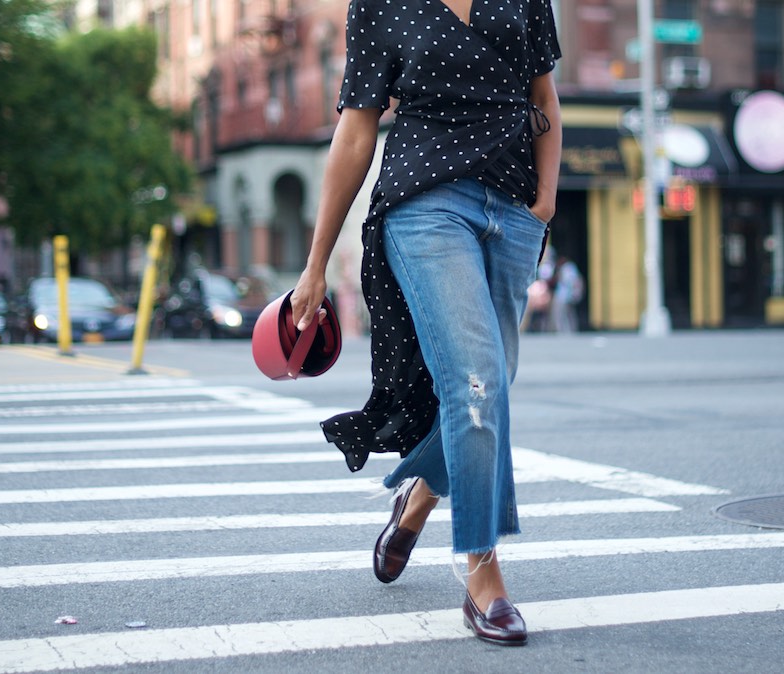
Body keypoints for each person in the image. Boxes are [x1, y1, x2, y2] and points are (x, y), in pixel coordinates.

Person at [290, 0, 561, 646]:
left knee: (492, 381)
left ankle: (415, 502)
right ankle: (483, 577)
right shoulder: (380, 6)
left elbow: (543, 96)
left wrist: (543, 204)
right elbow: (356, 134)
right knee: (477, 382)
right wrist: (316, 263)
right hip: (425, 205)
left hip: (513, 208)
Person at [548, 253, 584, 334]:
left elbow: (568, 281)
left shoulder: (567, 268)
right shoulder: (571, 267)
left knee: (560, 314)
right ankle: (571, 330)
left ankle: (562, 331)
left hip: (563, 295)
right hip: (568, 295)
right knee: (569, 314)